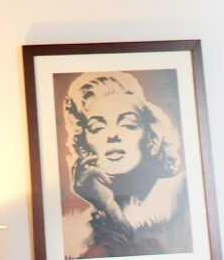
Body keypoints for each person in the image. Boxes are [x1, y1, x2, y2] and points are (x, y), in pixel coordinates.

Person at [62, 72, 190, 256]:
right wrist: (106, 204)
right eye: (97, 127)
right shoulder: (77, 233)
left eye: (127, 124)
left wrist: (109, 208)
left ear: (150, 137)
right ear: (84, 143)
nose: (112, 135)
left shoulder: (182, 192)